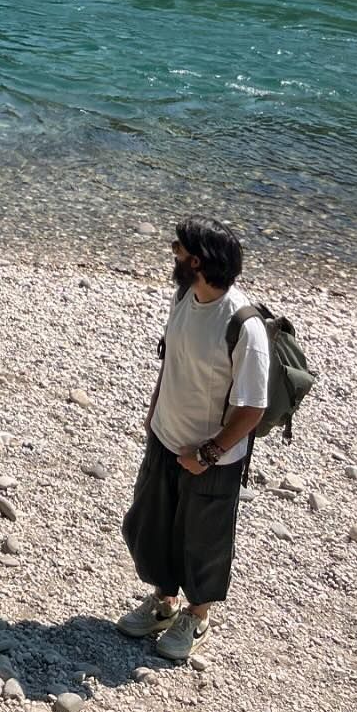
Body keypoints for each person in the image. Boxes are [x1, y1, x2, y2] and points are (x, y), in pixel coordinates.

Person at [116, 215, 269, 661]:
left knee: (203, 540)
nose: (173, 255)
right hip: (165, 437)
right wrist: (154, 410)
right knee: (152, 526)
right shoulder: (184, 295)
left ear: (197, 260)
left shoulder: (244, 326)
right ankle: (164, 604)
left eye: (178, 249)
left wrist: (208, 452)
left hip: (211, 458)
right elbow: (171, 357)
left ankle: (197, 617)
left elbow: (253, 408)